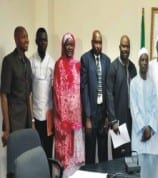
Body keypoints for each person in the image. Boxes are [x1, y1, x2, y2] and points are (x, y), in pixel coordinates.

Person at [53, 33, 84, 177]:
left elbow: (80, 91)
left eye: (72, 44)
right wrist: (62, 119)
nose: (70, 47)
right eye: (67, 44)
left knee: (76, 161)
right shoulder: (58, 64)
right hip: (64, 122)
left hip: (76, 121)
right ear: (63, 46)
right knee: (64, 158)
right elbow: (57, 93)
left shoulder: (78, 65)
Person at [80, 30, 110, 163]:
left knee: (103, 153)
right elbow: (84, 88)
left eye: (100, 43)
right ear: (92, 42)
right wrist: (87, 117)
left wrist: (107, 116)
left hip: (102, 113)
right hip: (91, 114)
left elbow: (108, 90)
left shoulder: (106, 61)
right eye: (96, 42)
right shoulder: (85, 59)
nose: (98, 45)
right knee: (90, 153)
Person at [1, 26, 32, 146]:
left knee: (26, 157)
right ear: (16, 39)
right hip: (14, 121)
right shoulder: (8, 61)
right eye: (23, 37)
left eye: (27, 37)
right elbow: (3, 95)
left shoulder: (28, 63)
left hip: (26, 121)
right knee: (15, 159)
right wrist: (8, 129)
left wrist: (32, 121)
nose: (27, 40)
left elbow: (29, 94)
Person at [107, 35, 137, 159]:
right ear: (119, 47)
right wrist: (113, 120)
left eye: (127, 46)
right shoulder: (113, 67)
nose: (125, 49)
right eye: (123, 46)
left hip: (131, 119)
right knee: (118, 154)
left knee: (129, 154)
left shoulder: (133, 68)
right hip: (118, 120)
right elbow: (109, 94)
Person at [30, 27, 55, 159]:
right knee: (36, 151)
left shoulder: (52, 62)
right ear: (36, 41)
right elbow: (29, 92)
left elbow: (54, 91)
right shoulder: (31, 61)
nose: (43, 43)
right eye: (40, 40)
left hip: (49, 114)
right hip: (35, 115)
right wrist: (32, 119)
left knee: (48, 151)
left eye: (45, 40)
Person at [130, 48, 157, 154]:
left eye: (146, 60)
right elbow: (134, 108)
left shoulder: (152, 84)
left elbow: (154, 108)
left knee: (149, 165)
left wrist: (149, 128)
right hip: (138, 133)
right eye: (142, 60)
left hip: (149, 134)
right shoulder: (133, 83)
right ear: (138, 62)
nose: (144, 63)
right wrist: (143, 128)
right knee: (137, 166)